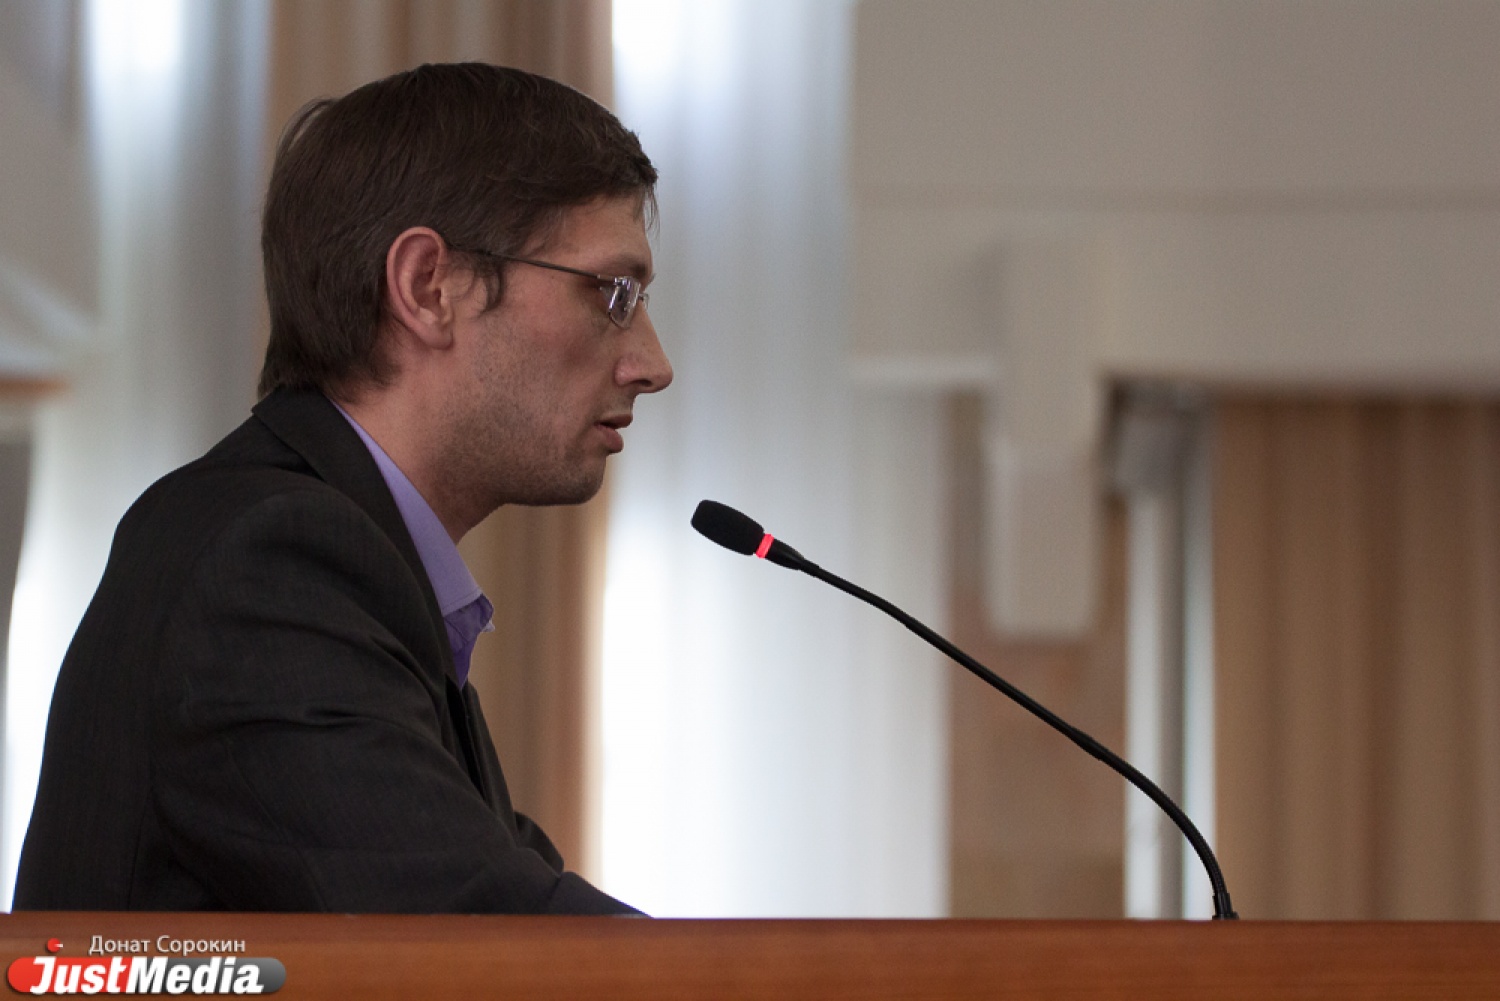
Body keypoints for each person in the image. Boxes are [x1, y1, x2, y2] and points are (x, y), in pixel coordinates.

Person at [13, 63, 671, 914]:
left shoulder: (345, 557)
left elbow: (508, 896)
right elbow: (485, 936)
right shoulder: (268, 563)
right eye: (614, 293)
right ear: (428, 287)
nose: (652, 364)